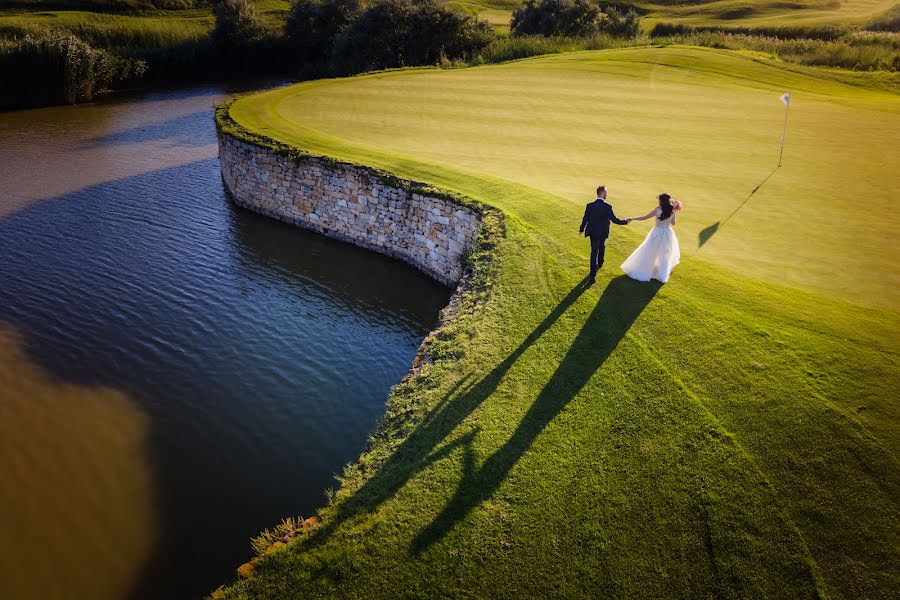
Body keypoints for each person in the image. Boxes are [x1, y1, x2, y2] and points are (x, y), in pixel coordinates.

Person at [621, 193, 682, 283]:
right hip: (668, 233)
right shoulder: (672, 211)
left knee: (650, 251)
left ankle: (646, 269)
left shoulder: (658, 210)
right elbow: (673, 223)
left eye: (659, 200)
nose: (658, 201)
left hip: (657, 232)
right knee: (665, 254)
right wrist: (674, 212)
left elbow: (645, 217)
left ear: (662, 201)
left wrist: (633, 218)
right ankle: (663, 275)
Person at [579, 185, 630, 284]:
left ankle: (592, 275)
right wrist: (625, 221)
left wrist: (581, 229)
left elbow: (585, 219)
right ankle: (600, 263)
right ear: (602, 193)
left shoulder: (590, 205)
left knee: (594, 252)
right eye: (606, 192)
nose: (607, 194)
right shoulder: (607, 207)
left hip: (593, 233)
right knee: (601, 247)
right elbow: (615, 220)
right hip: (602, 233)